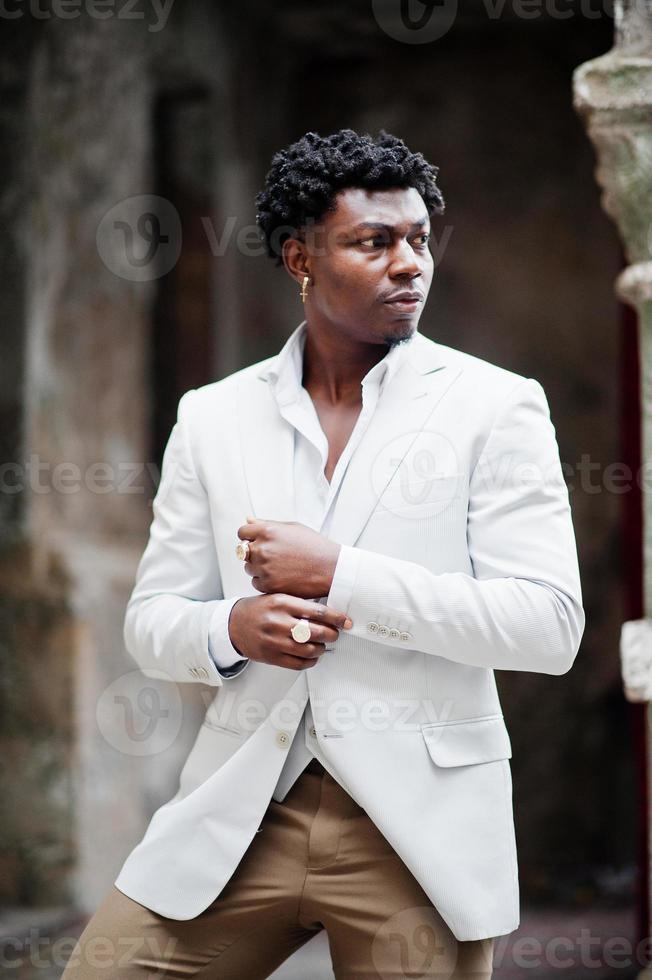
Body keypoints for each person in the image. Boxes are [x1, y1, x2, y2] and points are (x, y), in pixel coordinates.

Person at [62, 129, 584, 979]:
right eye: (374, 243)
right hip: (237, 814)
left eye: (418, 239)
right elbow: (152, 623)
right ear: (301, 258)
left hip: (415, 833)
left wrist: (340, 574)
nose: (409, 263)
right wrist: (232, 627)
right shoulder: (214, 416)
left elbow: (549, 626)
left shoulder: (496, 407)